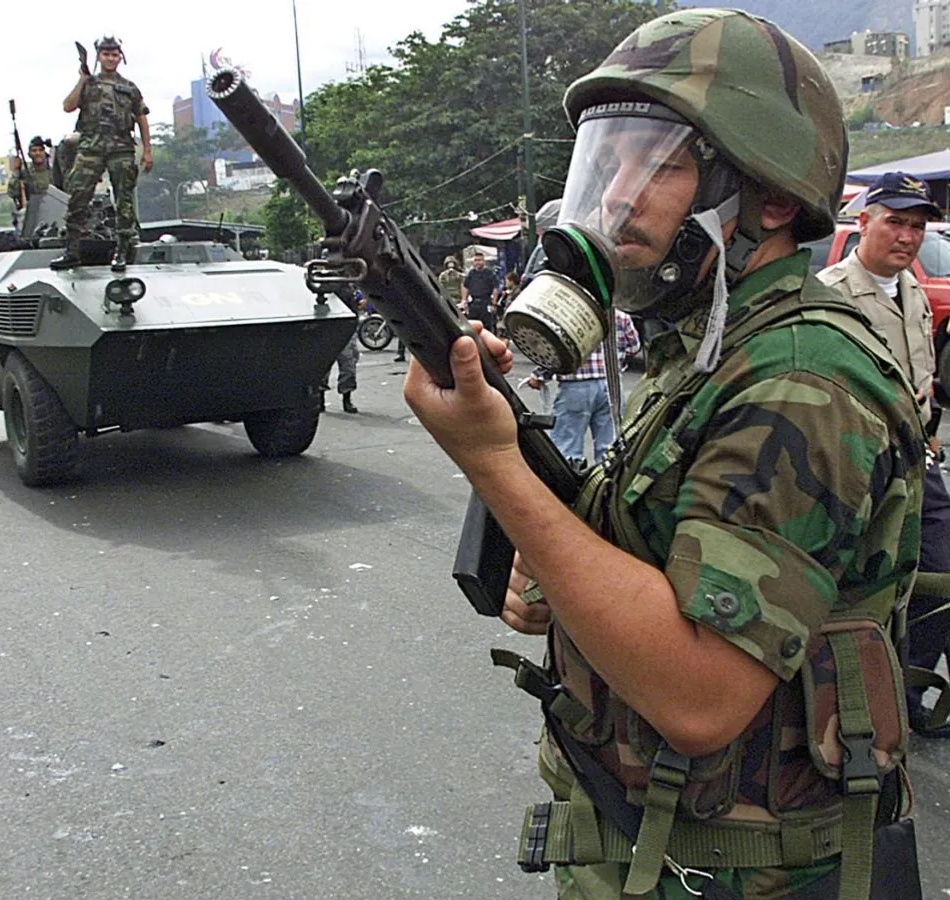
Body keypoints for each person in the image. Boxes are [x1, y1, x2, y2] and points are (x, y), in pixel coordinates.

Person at [404, 9, 925, 898]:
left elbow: (700, 696)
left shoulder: (799, 378)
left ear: (769, 197)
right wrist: (559, 574)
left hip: (731, 875)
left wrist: (492, 463)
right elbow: (660, 556)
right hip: (654, 846)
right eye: (605, 165)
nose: (615, 199)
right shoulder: (714, 345)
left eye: (658, 165)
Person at [817, 171, 950, 737]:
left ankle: (908, 689)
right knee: (860, 587)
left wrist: (930, 431)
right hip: (856, 467)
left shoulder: (911, 289)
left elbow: (919, 376)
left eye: (917, 226)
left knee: (936, 572)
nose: (907, 236)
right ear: (863, 222)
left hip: (916, 464)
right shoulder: (831, 293)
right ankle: (848, 702)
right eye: (895, 222)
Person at [51, 36, 153, 273]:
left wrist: (147, 150)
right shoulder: (88, 83)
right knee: (78, 197)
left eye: (115, 54)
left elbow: (141, 117)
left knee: (124, 200)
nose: (111, 58)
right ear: (99, 56)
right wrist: (82, 79)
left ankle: (122, 250)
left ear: (120, 58)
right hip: (91, 148)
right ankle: (72, 251)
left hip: (121, 148)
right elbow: (68, 106)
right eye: (106, 54)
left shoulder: (129, 87)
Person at [522, 308, 640, 467]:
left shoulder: (569, 315)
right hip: (611, 386)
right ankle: (606, 479)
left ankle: (570, 477)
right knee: (610, 447)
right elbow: (634, 348)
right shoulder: (620, 316)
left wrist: (539, 376)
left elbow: (556, 353)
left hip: (575, 387)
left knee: (566, 446)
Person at [8, 136, 53, 210]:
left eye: (40, 150)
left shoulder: (53, 172)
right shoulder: (24, 172)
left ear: (45, 153)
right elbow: (12, 193)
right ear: (29, 154)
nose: (37, 153)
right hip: (32, 211)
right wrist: (16, 171)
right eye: (34, 151)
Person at [460, 251, 498, 332]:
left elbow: (495, 288)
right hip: (474, 304)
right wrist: (464, 301)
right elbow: (465, 287)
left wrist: (494, 304)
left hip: (485, 302)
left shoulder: (489, 273)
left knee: (487, 326)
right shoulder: (471, 274)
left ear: (484, 261)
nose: (477, 262)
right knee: (472, 326)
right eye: (476, 260)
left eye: (479, 260)